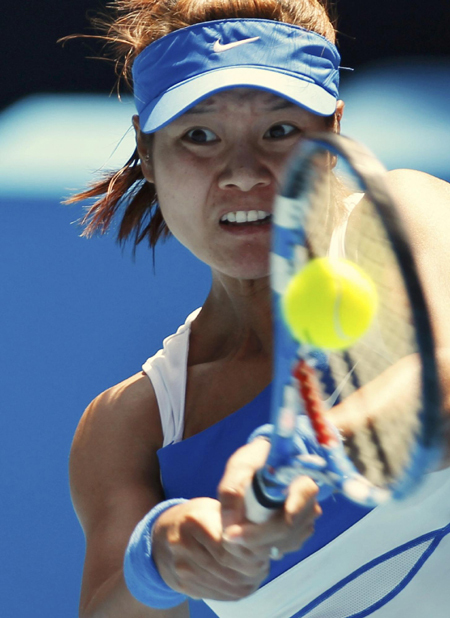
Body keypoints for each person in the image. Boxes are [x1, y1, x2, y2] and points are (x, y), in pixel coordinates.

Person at [67, 1, 450, 617]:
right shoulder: (131, 426)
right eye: (199, 136)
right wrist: (160, 561)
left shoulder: (405, 216)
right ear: (146, 149)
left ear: (334, 130)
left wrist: (315, 453)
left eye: (279, 131)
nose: (243, 173)